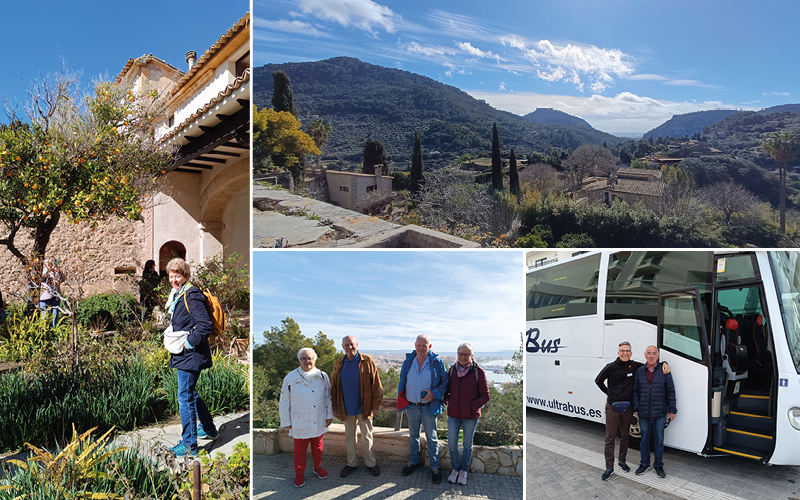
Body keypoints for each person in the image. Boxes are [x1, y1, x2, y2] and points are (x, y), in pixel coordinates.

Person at [165, 257, 218, 458]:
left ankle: (190, 445)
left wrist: (188, 343)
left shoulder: (191, 295)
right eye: (170, 276)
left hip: (190, 354)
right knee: (190, 393)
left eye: (177, 275)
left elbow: (205, 325)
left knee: (184, 397)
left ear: (185, 275)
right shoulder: (178, 294)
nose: (173, 279)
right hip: (186, 354)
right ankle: (209, 429)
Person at [595, 341, 669, 481]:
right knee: (610, 438)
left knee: (625, 437)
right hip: (612, 408)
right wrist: (610, 394)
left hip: (628, 409)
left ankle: (622, 461)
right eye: (622, 350)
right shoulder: (610, 367)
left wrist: (664, 362)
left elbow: (651, 363)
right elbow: (598, 381)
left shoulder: (635, 366)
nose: (625, 353)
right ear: (618, 353)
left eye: (628, 351)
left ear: (631, 353)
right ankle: (609, 467)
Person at [279, 347, 334, 488]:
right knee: (299, 451)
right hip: (299, 420)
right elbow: (284, 401)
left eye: (310, 358)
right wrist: (286, 421)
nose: (307, 361)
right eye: (303, 358)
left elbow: (328, 397)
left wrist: (329, 415)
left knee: (318, 448)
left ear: (315, 359)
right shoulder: (290, 378)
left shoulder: (322, 376)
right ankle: (299, 474)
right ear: (299, 360)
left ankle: (318, 468)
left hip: (318, 418)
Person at [397, 334, 448, 484]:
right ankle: (413, 462)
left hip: (428, 408)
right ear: (415, 345)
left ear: (430, 347)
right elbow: (402, 381)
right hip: (412, 407)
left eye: (424, 345)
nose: (421, 348)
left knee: (432, 439)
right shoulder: (408, 362)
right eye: (418, 345)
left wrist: (434, 394)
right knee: (413, 436)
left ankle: (435, 468)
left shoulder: (437, 363)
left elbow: (445, 384)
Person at [331, 335, 384, 478]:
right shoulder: (339, 362)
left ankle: (370, 464)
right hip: (345, 408)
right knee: (349, 438)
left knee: (367, 437)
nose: (350, 347)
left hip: (365, 408)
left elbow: (376, 385)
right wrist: (335, 407)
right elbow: (335, 386)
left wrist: (376, 406)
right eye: (346, 345)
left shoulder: (367, 361)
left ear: (357, 344)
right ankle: (351, 463)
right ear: (342, 347)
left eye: (352, 344)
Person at [443, 342, 490, 485]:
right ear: (457, 355)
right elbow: (446, 388)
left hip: (470, 416)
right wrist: (446, 398)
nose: (463, 357)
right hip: (454, 414)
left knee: (467, 444)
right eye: (460, 354)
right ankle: (455, 469)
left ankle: (463, 471)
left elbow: (486, 395)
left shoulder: (478, 372)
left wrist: (472, 406)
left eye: (466, 354)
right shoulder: (452, 371)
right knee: (452, 443)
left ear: (472, 355)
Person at [633, 345, 677, 478]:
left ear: (658, 356)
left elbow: (670, 391)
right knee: (644, 440)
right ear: (645, 355)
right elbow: (635, 390)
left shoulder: (664, 371)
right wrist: (637, 406)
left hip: (659, 413)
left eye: (654, 353)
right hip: (644, 413)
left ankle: (658, 466)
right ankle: (644, 464)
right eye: (649, 353)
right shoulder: (639, 371)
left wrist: (672, 409)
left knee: (659, 441)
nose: (651, 356)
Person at [39, 259, 62, 327]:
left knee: (55, 315)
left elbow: (61, 280)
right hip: (44, 296)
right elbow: (42, 277)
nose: (49, 266)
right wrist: (47, 271)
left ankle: (54, 330)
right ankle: (44, 331)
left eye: (50, 264)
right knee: (44, 316)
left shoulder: (55, 272)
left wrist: (58, 270)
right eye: (48, 264)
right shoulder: (41, 272)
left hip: (55, 295)